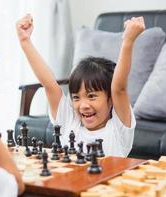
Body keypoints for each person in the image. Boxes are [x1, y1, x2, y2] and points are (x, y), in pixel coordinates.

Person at [16, 14, 145, 157]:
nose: (83, 105)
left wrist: (128, 41)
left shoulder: (119, 129)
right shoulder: (70, 122)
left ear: (110, 100)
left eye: (91, 96)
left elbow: (119, 88)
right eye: (76, 97)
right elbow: (48, 84)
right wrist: (25, 41)